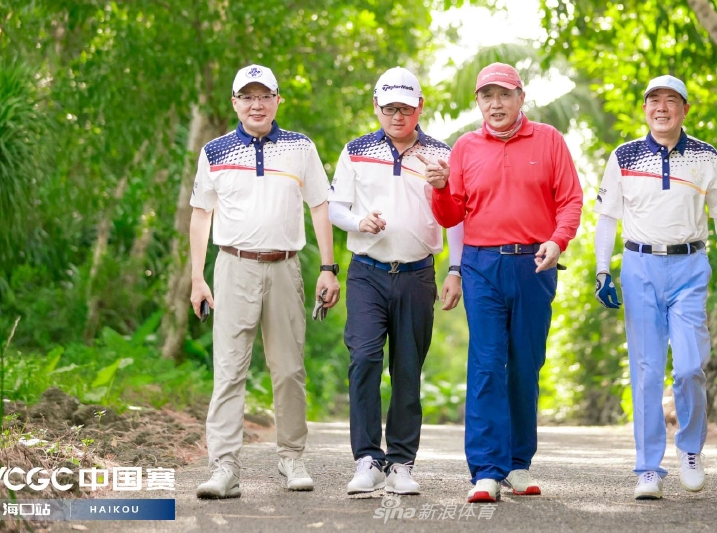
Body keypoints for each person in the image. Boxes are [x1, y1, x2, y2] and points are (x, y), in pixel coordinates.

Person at [421, 63, 583, 503]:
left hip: (535, 264)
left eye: (504, 95)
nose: (496, 104)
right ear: (478, 101)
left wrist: (558, 241)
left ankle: (517, 463)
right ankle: (487, 470)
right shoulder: (465, 147)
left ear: (520, 98)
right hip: (482, 266)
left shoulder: (549, 140)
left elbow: (570, 199)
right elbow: (451, 215)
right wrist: (440, 188)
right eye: (487, 95)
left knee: (525, 365)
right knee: (488, 364)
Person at [190, 64, 341, 499]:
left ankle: (292, 457)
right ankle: (224, 467)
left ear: (277, 100)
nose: (256, 104)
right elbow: (201, 214)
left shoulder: (300, 147)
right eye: (247, 97)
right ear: (235, 103)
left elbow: (319, 206)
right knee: (228, 370)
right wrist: (197, 278)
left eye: (264, 96)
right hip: (233, 266)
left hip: (284, 267)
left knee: (289, 369)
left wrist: (328, 268)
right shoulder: (215, 151)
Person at [593, 75, 717, 500]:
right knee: (646, 371)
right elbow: (607, 218)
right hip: (639, 267)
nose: (662, 108)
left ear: (684, 109)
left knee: (690, 366)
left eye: (671, 101)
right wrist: (603, 271)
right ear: (645, 108)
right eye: (654, 100)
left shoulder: (707, 156)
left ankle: (691, 449)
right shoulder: (624, 156)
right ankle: (648, 469)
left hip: (689, 266)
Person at [328, 66, 465, 496]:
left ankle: (401, 462)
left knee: (407, 368)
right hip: (366, 274)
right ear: (376, 106)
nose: (397, 116)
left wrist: (456, 270)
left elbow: (456, 217)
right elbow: (335, 207)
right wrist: (358, 221)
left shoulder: (441, 154)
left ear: (419, 107)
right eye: (389, 108)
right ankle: (367, 459)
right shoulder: (355, 150)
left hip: (417, 274)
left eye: (405, 108)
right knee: (364, 358)